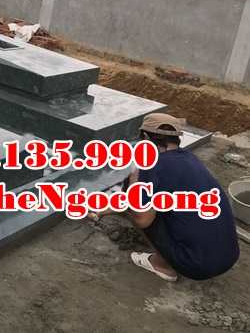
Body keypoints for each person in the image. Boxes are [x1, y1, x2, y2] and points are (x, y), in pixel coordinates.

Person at [93, 113, 239, 282]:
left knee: (144, 214)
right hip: (229, 257)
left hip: (196, 265)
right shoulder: (189, 158)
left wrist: (134, 176)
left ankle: (163, 266)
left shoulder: (152, 165)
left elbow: (142, 219)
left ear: (146, 137)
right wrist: (105, 209)